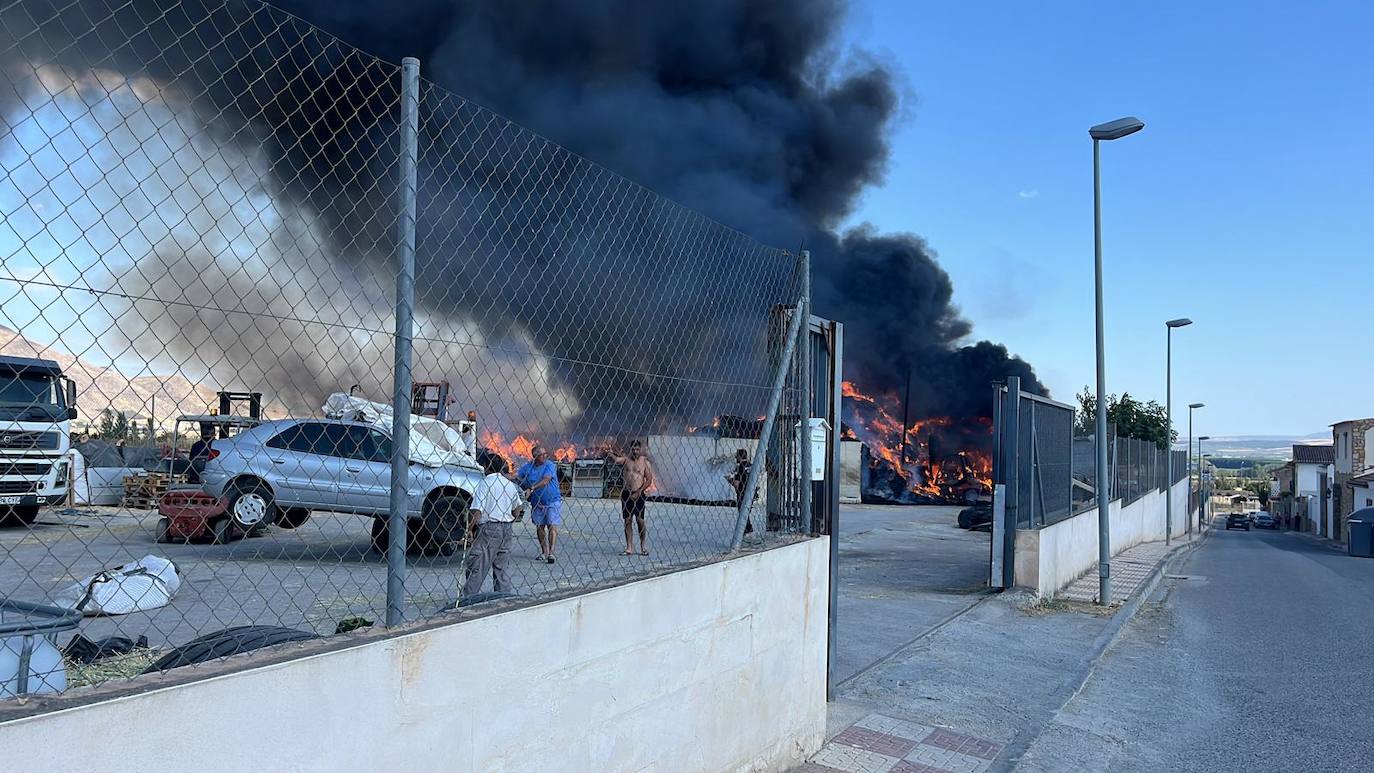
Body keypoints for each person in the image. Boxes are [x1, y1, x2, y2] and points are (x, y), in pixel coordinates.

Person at [462, 455, 524, 597]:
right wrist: (510, 519)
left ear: (487, 467)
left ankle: (467, 598)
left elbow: (477, 510)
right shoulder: (508, 484)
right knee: (501, 568)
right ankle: (503, 597)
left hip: (489, 528)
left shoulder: (485, 483)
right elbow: (518, 508)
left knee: (478, 565)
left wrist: (469, 529)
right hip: (506, 529)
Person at [609, 440, 655, 555]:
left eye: (637, 449)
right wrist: (610, 453)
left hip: (638, 494)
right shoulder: (626, 460)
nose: (635, 452)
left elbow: (649, 480)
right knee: (627, 520)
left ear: (640, 449)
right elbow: (616, 460)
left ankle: (643, 546)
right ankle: (629, 547)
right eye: (633, 449)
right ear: (631, 449)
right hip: (626, 494)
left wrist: (639, 492)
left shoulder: (645, 462)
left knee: (640, 520)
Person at [517, 445, 561, 564]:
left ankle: (551, 553)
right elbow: (517, 476)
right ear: (535, 456)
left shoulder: (550, 465)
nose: (545, 456)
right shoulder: (528, 467)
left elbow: (546, 480)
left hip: (552, 500)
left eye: (545, 454)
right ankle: (544, 552)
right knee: (540, 527)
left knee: (552, 526)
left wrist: (532, 488)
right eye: (542, 454)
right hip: (537, 502)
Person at [724, 448, 755, 534]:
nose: (735, 458)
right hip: (751, 491)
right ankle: (748, 527)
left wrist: (729, 480)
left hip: (741, 491)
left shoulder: (740, 466)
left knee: (742, 511)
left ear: (740, 456)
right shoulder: (751, 465)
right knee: (746, 510)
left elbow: (736, 483)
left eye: (737, 456)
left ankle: (747, 528)